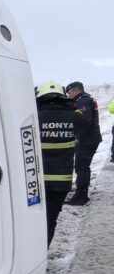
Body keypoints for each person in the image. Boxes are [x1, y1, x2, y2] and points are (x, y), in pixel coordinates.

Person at [36, 81, 87, 246]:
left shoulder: (33, 116)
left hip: (34, 182)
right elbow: (86, 125)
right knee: (50, 220)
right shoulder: (74, 117)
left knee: (31, 221)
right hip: (61, 182)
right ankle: (42, 255)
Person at [64, 82, 101, 205]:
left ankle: (81, 196)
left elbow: (85, 122)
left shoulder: (82, 101)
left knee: (82, 167)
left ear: (75, 91)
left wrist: (78, 138)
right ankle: (81, 191)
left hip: (87, 140)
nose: (69, 96)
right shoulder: (86, 99)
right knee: (83, 167)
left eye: (69, 93)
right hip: (90, 138)